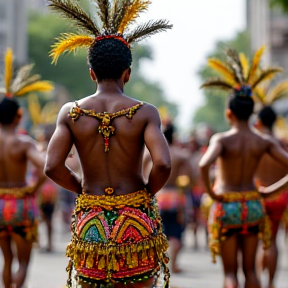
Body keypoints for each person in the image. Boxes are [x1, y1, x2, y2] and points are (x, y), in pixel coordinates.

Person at [45, 1, 172, 287]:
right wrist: (146, 193)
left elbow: (52, 166)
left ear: (91, 73)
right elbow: (163, 163)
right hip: (135, 221)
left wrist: (81, 189)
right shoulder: (145, 112)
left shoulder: (70, 112)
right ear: (128, 72)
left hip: (91, 223)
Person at [199, 47, 288, 288]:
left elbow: (204, 164)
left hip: (226, 205)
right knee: (250, 271)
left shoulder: (221, 139)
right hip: (253, 203)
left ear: (229, 114)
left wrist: (212, 193)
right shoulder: (264, 141)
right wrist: (270, 192)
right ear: (252, 113)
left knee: (230, 275)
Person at [0, 48, 52, 288]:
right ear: (19, 117)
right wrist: (33, 187)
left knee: (7, 260)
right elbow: (46, 165)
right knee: (23, 263)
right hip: (21, 204)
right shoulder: (23, 142)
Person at [144, 123, 192, 274]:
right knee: (176, 233)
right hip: (176, 197)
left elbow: (142, 173)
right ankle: (175, 265)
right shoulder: (181, 155)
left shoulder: (149, 153)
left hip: (158, 195)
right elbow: (192, 177)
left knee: (155, 232)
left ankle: (155, 265)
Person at [254, 105, 288, 288]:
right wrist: (276, 189)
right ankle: (271, 283)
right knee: (272, 241)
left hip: (258, 197)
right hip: (279, 198)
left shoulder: (255, 143)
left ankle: (258, 280)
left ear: (258, 122)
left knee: (261, 242)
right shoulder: (281, 144)